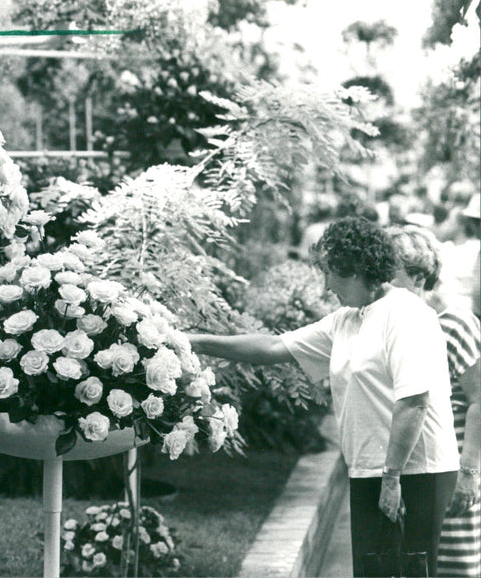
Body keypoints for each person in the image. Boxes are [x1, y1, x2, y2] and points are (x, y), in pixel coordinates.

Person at [188, 217, 460, 577]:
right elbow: (272, 346)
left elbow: (414, 402)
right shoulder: (348, 318)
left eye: (331, 273)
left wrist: (391, 479)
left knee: (404, 571)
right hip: (372, 467)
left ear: (359, 268)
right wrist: (194, 341)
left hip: (414, 471)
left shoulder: (407, 314)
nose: (326, 284)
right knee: (373, 570)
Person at [387, 225, 480, 578]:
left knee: (451, 567)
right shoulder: (394, 324)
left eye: (389, 270)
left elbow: (479, 400)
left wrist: (469, 474)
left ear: (417, 274)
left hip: (452, 466)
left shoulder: (453, 323)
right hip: (410, 469)